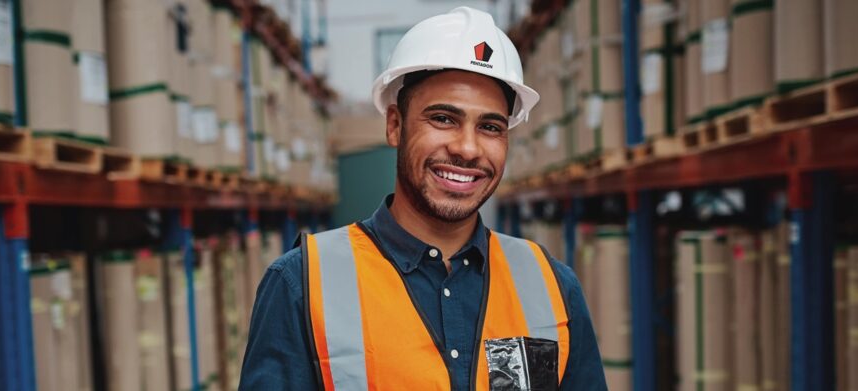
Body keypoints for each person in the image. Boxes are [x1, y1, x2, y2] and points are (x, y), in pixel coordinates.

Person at [239, 7, 606, 390]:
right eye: (444, 119)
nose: (467, 148)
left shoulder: (551, 286)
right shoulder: (302, 284)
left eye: (490, 127)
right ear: (395, 125)